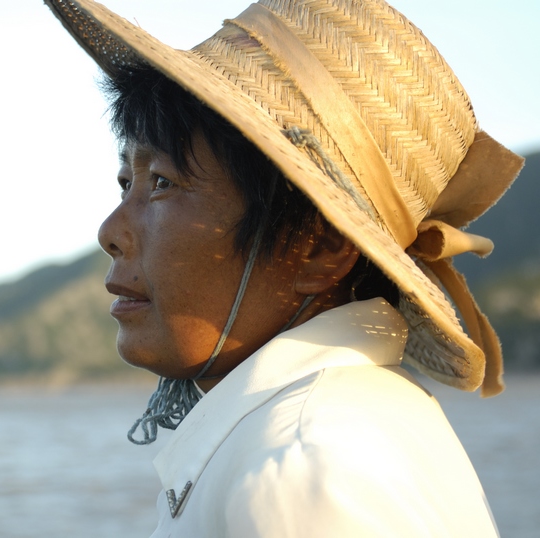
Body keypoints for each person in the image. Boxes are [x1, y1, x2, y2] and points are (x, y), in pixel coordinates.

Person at [45, 0, 524, 535]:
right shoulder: (332, 428)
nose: (110, 231)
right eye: (124, 183)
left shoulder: (302, 472)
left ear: (318, 247)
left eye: (162, 182)